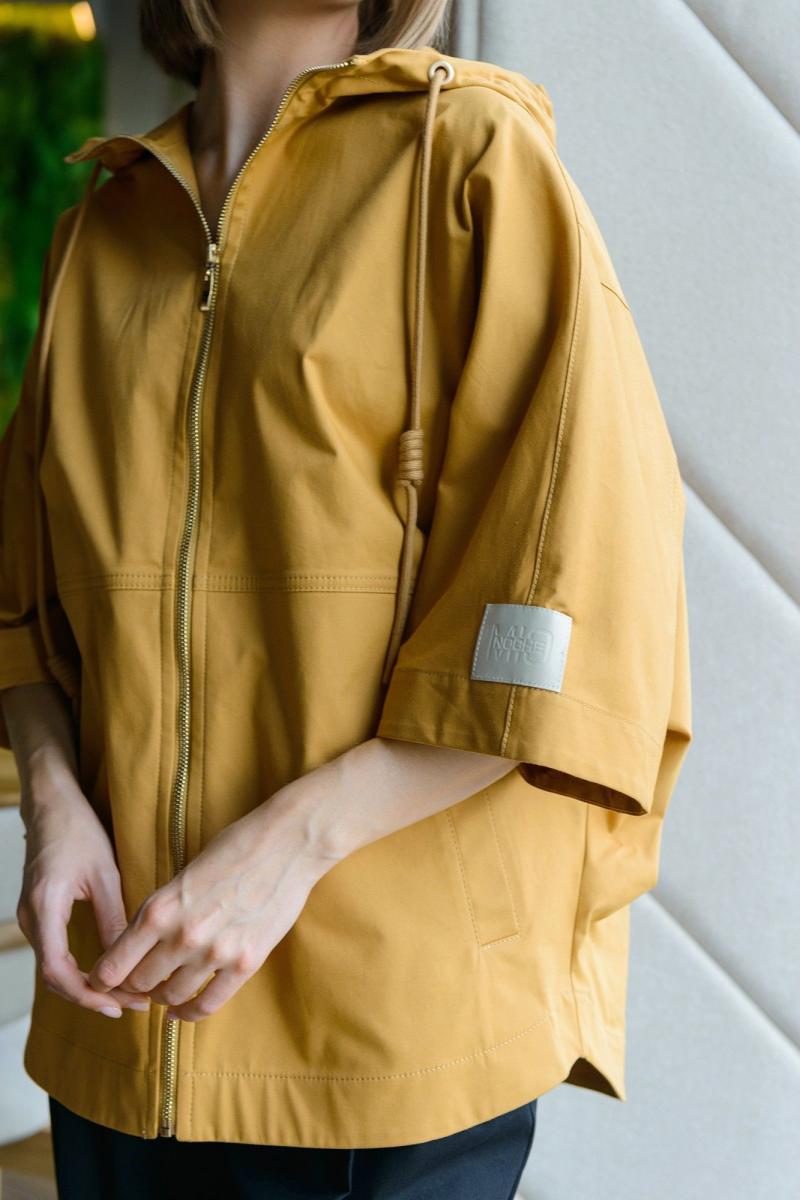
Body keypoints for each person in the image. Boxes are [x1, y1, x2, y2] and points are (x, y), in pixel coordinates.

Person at [0, 0, 692, 1196]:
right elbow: (22, 608)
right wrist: (53, 802)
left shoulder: (471, 164)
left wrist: (288, 847)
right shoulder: (97, 233)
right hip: (120, 1024)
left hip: (380, 1045)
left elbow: (561, 606)